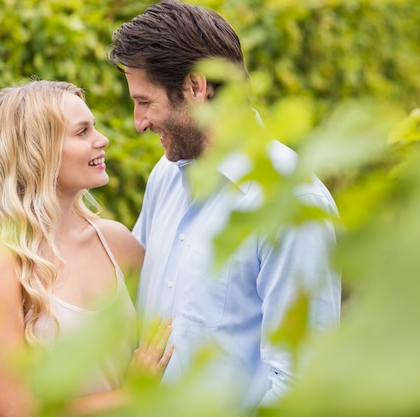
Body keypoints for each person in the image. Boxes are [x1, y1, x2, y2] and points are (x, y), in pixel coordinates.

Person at [107, 0, 341, 410]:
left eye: (145, 102)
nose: (137, 122)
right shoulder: (165, 177)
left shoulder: (293, 202)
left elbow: (301, 385)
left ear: (197, 87)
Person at [0, 79, 174, 417]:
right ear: (38, 150)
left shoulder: (116, 242)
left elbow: (182, 312)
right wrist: (130, 396)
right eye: (82, 132)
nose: (102, 140)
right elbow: (17, 410)